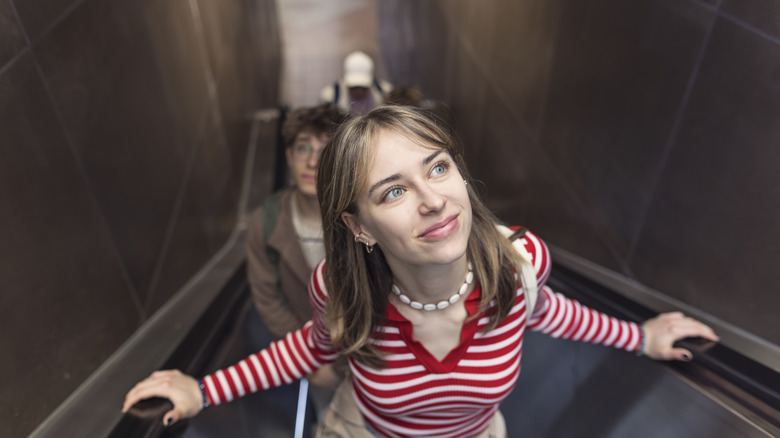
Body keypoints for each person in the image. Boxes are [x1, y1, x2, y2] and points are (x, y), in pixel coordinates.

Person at [123, 106, 719, 437]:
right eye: (391, 192)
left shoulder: (519, 262)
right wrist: (204, 389)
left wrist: (642, 337)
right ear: (358, 226)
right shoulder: (341, 287)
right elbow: (309, 350)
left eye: (436, 168)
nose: (433, 200)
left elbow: (555, 315)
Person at [247, 104, 345, 391]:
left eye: (325, 151)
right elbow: (268, 300)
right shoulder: (264, 222)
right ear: (289, 156)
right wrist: (312, 360)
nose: (313, 162)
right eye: (304, 149)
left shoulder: (361, 217)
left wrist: (340, 365)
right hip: (310, 359)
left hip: (368, 357)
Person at [320, 51, 393, 116]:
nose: (359, 92)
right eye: (354, 87)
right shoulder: (330, 96)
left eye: (363, 88)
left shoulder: (386, 92)